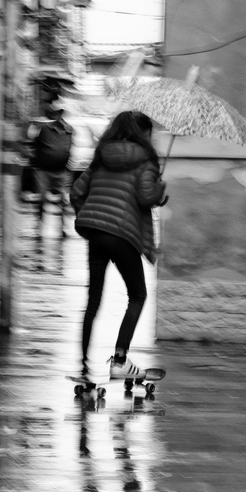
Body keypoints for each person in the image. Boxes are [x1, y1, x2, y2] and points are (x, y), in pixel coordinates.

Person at [69, 110, 168, 382]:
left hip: (96, 232)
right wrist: (161, 191)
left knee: (93, 301)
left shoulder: (101, 158)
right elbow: (146, 196)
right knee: (137, 295)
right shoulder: (145, 161)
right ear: (143, 133)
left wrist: (90, 212)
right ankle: (120, 361)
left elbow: (76, 192)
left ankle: (83, 366)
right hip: (123, 235)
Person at [28, 100, 74, 239]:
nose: (58, 116)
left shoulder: (69, 130)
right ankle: (38, 228)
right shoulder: (43, 128)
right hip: (44, 170)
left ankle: (63, 229)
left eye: (60, 113)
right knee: (42, 201)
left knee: (63, 202)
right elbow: (33, 143)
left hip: (61, 170)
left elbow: (68, 148)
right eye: (55, 113)